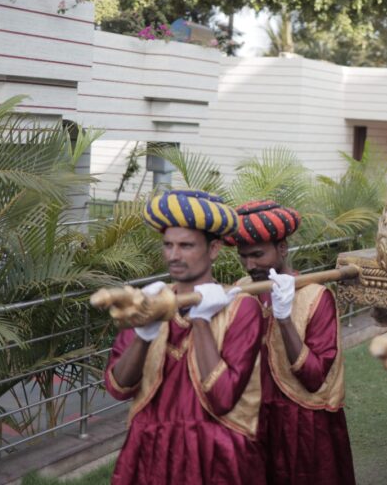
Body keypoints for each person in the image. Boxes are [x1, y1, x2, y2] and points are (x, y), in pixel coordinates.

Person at [104, 189, 265, 485]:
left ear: (214, 248)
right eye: (168, 245)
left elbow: (223, 398)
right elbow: (118, 387)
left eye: (186, 245)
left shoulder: (243, 309)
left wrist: (201, 320)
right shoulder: (148, 301)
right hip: (150, 449)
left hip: (216, 456)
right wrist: (144, 333)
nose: (173, 256)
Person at [226, 200, 355, 485]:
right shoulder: (240, 292)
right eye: (243, 257)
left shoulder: (316, 298)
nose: (250, 265)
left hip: (304, 425)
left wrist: (283, 319)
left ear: (282, 248)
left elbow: (313, 377)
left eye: (258, 254)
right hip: (254, 420)